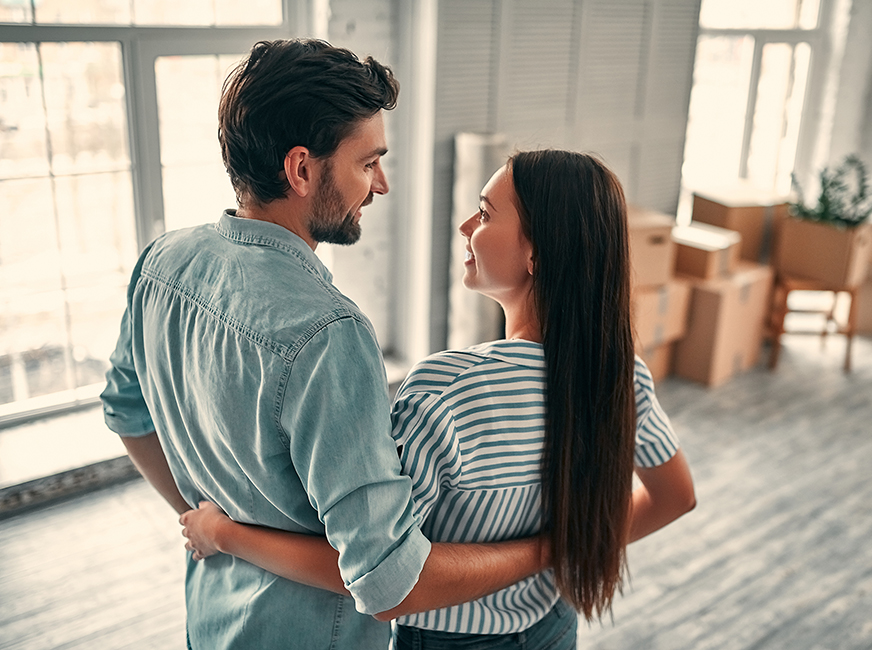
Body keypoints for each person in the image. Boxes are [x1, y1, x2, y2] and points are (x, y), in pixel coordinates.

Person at [100, 39, 550, 650]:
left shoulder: (163, 261)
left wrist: (207, 516)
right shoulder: (328, 335)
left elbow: (127, 414)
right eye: (368, 164)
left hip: (211, 619)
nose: (382, 184)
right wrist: (544, 550)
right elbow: (389, 579)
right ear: (303, 170)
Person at [180, 150, 697, 649]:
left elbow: (379, 576)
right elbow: (676, 497)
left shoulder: (448, 390)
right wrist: (567, 547)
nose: (466, 225)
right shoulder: (620, 373)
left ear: (537, 251)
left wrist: (225, 534)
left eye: (486, 213)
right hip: (553, 624)